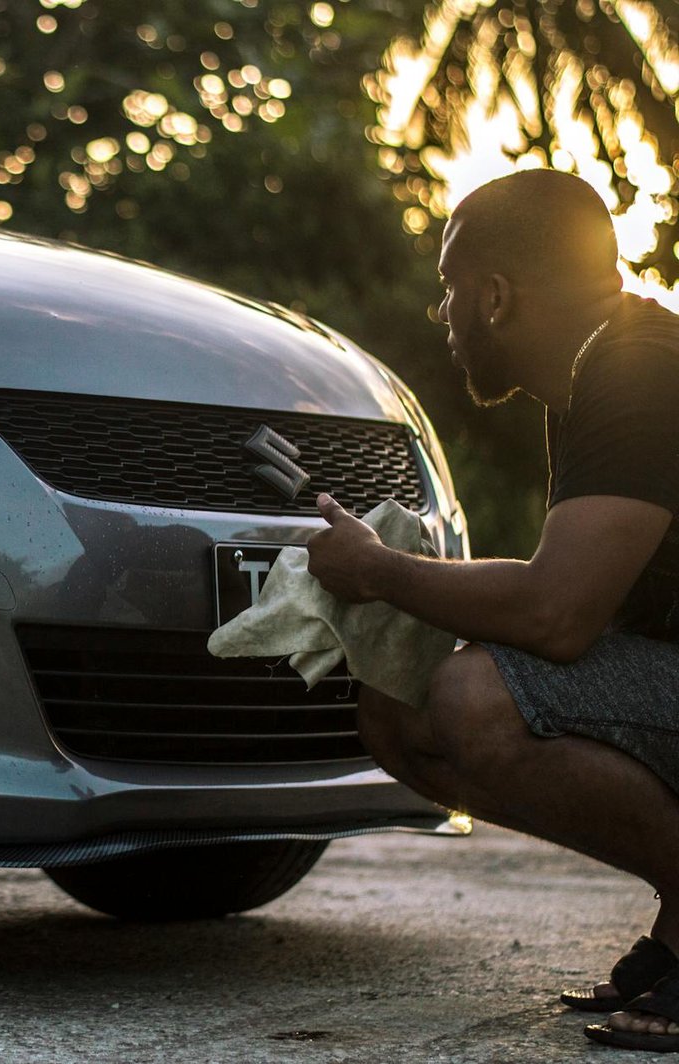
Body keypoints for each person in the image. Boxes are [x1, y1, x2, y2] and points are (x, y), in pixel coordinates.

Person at [305, 167, 679, 1053]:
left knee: (475, 698)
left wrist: (382, 571)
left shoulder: (637, 372)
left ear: (497, 296)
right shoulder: (603, 369)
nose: (444, 316)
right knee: (400, 708)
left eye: (450, 291)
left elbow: (559, 613)